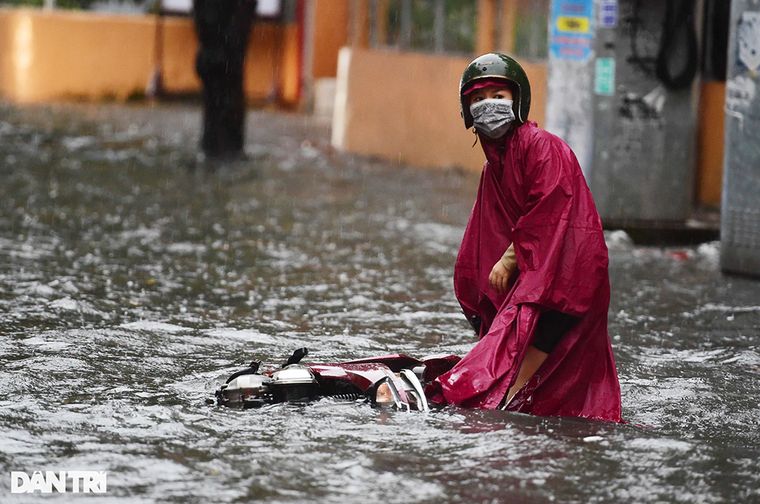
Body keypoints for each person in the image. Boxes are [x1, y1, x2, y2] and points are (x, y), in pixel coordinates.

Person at [426, 53, 622, 422]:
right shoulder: (494, 165)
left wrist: (510, 259)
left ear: (518, 100)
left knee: (542, 325)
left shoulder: (542, 147)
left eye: (498, 96)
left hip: (567, 273)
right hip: (537, 270)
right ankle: (504, 391)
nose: (489, 107)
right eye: (478, 100)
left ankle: (503, 397)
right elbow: (485, 230)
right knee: (516, 331)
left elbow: (550, 212)